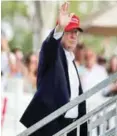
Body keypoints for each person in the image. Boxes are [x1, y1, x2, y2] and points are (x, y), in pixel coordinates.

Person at [20, 2, 87, 136]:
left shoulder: (71, 60)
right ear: (61, 33)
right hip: (51, 126)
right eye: (69, 32)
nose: (73, 36)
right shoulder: (52, 53)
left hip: (72, 127)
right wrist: (60, 28)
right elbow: (50, 45)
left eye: (76, 32)